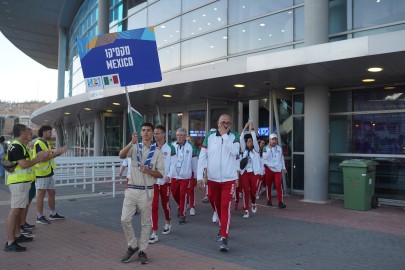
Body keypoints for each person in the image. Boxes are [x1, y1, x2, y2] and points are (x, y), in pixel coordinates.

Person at [119, 123, 164, 264]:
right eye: (143, 130)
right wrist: (130, 143)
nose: (145, 133)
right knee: (124, 219)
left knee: (145, 223)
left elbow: (161, 174)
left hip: (147, 190)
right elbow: (121, 155)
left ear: (152, 134)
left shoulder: (157, 152)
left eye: (148, 131)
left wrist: (148, 171)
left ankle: (143, 250)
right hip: (131, 189)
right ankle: (132, 245)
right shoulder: (134, 147)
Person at [197, 114, 239, 252]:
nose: (225, 125)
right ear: (217, 123)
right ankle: (222, 227)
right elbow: (202, 157)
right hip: (213, 179)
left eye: (228, 123)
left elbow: (234, 151)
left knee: (225, 206)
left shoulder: (234, 137)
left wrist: (225, 136)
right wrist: (199, 176)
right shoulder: (209, 137)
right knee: (214, 203)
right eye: (222, 122)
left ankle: (224, 238)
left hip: (229, 179)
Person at [4, 124, 48, 252]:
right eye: (26, 131)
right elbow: (23, 164)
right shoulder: (17, 146)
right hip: (18, 182)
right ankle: (10, 242)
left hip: (22, 182)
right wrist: (38, 158)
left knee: (18, 209)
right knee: (15, 211)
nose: (29, 133)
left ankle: (17, 235)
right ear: (21, 132)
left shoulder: (18, 145)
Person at [34, 125, 67, 224]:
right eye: (49, 132)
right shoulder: (39, 143)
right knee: (41, 194)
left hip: (48, 172)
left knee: (52, 192)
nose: (51, 134)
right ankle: (39, 216)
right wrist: (57, 153)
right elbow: (43, 158)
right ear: (43, 132)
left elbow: (51, 155)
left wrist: (59, 152)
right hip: (42, 173)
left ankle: (53, 213)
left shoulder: (45, 143)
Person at [149, 125, 176, 244]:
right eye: (154, 133)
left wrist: (169, 176)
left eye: (158, 133)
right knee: (153, 207)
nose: (155, 135)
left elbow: (174, 164)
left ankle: (168, 222)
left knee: (166, 205)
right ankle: (154, 232)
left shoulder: (170, 148)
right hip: (154, 182)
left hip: (165, 182)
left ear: (164, 134)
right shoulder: (151, 147)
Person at [170, 128, 197, 224]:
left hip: (185, 176)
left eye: (181, 135)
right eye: (177, 135)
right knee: (174, 193)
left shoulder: (191, 147)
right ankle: (181, 206)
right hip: (174, 175)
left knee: (183, 195)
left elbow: (194, 162)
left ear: (185, 136)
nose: (179, 137)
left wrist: (196, 175)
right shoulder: (171, 146)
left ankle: (182, 214)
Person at [239, 121, 261, 218]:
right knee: (245, 192)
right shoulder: (244, 150)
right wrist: (245, 127)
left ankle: (254, 203)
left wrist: (251, 127)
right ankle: (246, 210)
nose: (248, 142)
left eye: (250, 141)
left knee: (253, 191)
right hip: (244, 173)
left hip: (253, 173)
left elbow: (255, 139)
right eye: (247, 141)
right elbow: (240, 138)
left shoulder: (256, 150)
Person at [19, 128, 37, 235]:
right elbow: (25, 164)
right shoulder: (20, 147)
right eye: (29, 134)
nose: (31, 137)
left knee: (27, 203)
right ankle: (21, 225)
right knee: (23, 205)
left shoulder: (26, 147)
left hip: (30, 179)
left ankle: (23, 222)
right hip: (23, 181)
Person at [262, 133, 287, 209]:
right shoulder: (265, 148)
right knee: (268, 185)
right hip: (269, 168)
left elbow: (281, 158)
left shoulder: (279, 148)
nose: (274, 141)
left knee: (279, 185)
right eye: (272, 139)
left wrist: (284, 167)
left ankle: (280, 202)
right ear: (269, 140)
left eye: (275, 139)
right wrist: (269, 149)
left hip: (277, 169)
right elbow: (264, 157)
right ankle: (269, 200)